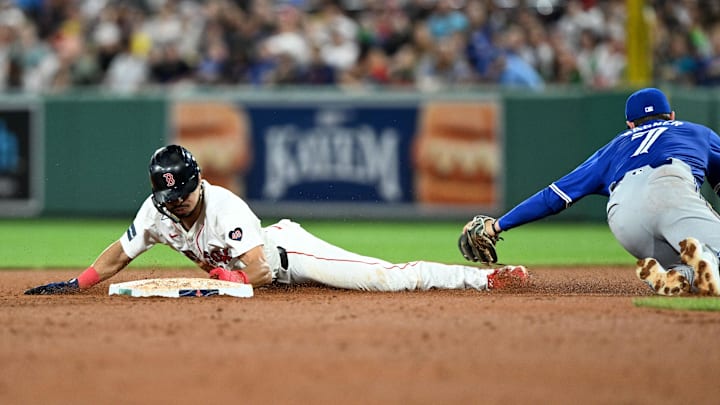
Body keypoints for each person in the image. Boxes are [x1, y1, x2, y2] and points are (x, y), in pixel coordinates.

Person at [25, 145, 528, 295]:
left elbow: (261, 272)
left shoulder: (227, 207)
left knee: (382, 279)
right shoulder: (156, 210)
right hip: (260, 271)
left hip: (287, 254)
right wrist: (78, 283)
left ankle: (481, 279)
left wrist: (223, 278)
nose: (172, 204)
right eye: (165, 197)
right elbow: (121, 252)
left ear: (197, 181)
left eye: (179, 195)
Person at [459, 87, 720, 296]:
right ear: (672, 116)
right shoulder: (696, 132)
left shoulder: (612, 148)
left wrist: (497, 226)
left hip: (624, 217)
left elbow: (553, 197)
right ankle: (703, 260)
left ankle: (678, 277)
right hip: (670, 186)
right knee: (708, 256)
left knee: (693, 266)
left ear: (630, 124)